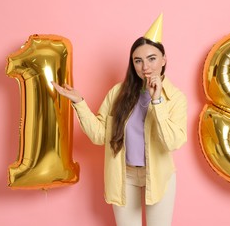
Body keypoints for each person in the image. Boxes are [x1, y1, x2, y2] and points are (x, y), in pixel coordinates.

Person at [52, 14, 187, 226]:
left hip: (160, 177)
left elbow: (173, 142)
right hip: (125, 176)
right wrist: (79, 102)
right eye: (138, 60)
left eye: (152, 58)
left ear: (164, 60)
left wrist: (157, 101)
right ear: (132, 64)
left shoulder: (176, 98)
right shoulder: (118, 93)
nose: (145, 67)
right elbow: (98, 135)